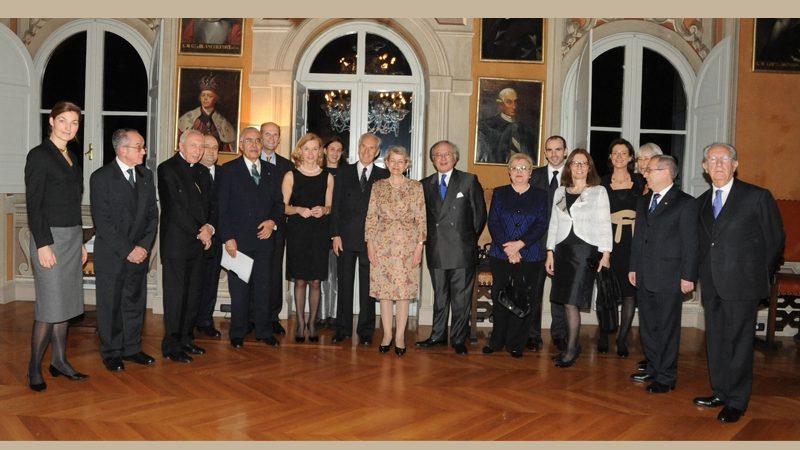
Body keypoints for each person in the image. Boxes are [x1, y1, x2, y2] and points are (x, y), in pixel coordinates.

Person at [693, 143, 784, 423]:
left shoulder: (757, 197)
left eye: (725, 159)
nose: (719, 163)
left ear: (735, 165)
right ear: (705, 168)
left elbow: (775, 240)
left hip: (743, 284)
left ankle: (737, 401)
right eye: (713, 159)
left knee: (740, 344)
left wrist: (758, 275)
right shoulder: (700, 203)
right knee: (717, 341)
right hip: (712, 284)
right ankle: (720, 391)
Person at [24, 101, 89, 391]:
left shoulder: (72, 156)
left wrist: (81, 243)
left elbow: (73, 204)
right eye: (63, 120)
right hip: (48, 239)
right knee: (49, 308)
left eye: (74, 122)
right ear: (51, 121)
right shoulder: (39, 156)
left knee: (66, 306)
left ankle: (60, 361)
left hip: (71, 238)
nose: (68, 127)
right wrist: (43, 244)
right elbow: (34, 205)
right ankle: (33, 367)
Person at [627, 155, 698, 394]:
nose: (644, 173)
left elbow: (691, 243)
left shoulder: (685, 203)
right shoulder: (644, 201)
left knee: (667, 328)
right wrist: (633, 267)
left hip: (670, 276)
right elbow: (638, 238)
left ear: (666, 172)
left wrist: (689, 276)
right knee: (648, 327)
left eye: (649, 170)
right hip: (645, 274)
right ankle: (655, 368)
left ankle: (666, 377)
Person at [90, 128, 158, 372]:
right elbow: (103, 222)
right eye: (139, 146)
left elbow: (153, 216)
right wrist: (129, 249)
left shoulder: (146, 176)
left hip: (139, 252)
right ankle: (111, 351)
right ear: (122, 150)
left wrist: (142, 247)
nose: (144, 151)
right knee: (110, 304)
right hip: (113, 254)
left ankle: (132, 348)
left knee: (134, 302)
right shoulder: (101, 178)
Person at [416, 140, 487, 355]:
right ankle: (437, 336)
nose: (443, 158)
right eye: (438, 155)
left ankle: (458, 339)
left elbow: (479, 216)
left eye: (447, 154)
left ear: (455, 157)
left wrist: (466, 239)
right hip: (436, 248)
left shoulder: (468, 180)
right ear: (432, 160)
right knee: (440, 296)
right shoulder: (424, 184)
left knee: (461, 298)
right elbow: (422, 218)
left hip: (462, 249)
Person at [545, 149, 612, 368]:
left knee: (573, 301)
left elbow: (604, 223)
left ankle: (572, 348)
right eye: (575, 163)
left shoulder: (598, 191)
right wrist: (549, 251)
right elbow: (554, 223)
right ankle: (570, 345)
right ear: (569, 166)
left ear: (589, 167)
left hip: (584, 251)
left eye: (584, 163)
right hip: (563, 250)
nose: (580, 167)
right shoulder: (560, 192)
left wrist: (606, 253)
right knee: (565, 300)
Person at [218, 128, 284, 348]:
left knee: (264, 288)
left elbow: (279, 204)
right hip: (238, 243)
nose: (255, 145)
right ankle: (237, 332)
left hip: (265, 241)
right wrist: (227, 238)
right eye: (250, 141)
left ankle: (264, 332)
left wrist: (273, 222)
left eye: (258, 140)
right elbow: (222, 209)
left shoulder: (271, 172)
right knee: (239, 290)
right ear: (241, 145)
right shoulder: (228, 171)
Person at [157, 129, 216, 363]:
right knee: (176, 296)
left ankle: (186, 339)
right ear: (180, 146)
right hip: (177, 244)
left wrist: (210, 227)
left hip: (201, 243)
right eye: (193, 146)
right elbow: (175, 208)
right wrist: (198, 231)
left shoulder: (203, 172)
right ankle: (171, 344)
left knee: (193, 295)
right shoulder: (167, 169)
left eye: (201, 147)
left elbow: (213, 205)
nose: (198, 151)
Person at [482, 153, 548, 358]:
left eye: (524, 168)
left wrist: (520, 244)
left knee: (524, 298)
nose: (519, 172)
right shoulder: (500, 193)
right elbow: (494, 222)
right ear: (509, 172)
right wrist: (508, 249)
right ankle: (496, 341)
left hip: (531, 255)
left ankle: (516, 343)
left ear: (530, 173)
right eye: (515, 168)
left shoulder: (541, 195)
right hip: (501, 254)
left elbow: (541, 224)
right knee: (500, 296)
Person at [365, 146, 426, 357]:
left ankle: (400, 336)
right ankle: (387, 335)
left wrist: (419, 246)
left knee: (403, 294)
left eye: (402, 161)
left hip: (408, 245)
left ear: (407, 164)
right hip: (382, 244)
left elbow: (421, 219)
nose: (397, 165)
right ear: (387, 163)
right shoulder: (378, 186)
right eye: (393, 161)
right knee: (384, 293)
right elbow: (371, 216)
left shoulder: (416, 187)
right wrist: (370, 244)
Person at [330, 133, 389, 346]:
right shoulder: (343, 172)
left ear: (377, 152)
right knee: (344, 284)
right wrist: (334, 234)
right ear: (358, 148)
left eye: (371, 148)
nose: (366, 151)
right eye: (363, 147)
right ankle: (342, 329)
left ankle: (365, 330)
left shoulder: (384, 175)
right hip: (345, 238)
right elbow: (335, 206)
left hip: (371, 241)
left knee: (368, 287)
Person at [282, 133, 334, 343]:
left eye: (315, 149)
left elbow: (330, 207)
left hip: (319, 233)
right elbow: (283, 207)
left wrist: (324, 209)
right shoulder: (290, 176)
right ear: (300, 151)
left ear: (320, 152)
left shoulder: (327, 177)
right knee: (301, 281)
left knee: (315, 282)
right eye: (307, 149)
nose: (311, 153)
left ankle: (313, 323)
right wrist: (298, 209)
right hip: (298, 232)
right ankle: (301, 323)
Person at [598, 138, 646, 358]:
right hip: (608, 241)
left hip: (633, 241)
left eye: (623, 153)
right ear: (610, 158)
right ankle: (603, 334)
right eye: (614, 153)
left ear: (630, 157)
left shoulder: (641, 181)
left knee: (629, 292)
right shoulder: (601, 182)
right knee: (605, 290)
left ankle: (622, 338)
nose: (618, 157)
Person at [527, 135, 569, 353]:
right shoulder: (534, 177)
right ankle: (533, 335)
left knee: (560, 292)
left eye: (558, 149)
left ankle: (559, 334)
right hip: (537, 243)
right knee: (534, 292)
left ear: (565, 151)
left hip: (563, 244)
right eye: (550, 150)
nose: (554, 154)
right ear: (544, 153)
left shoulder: (573, 177)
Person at [260, 122, 293, 336]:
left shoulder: (287, 166)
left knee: (273, 275)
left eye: (275, 135)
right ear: (260, 137)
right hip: (250, 230)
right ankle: (253, 317)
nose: (272, 138)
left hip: (277, 229)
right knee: (251, 275)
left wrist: (274, 222)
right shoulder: (248, 162)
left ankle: (272, 317)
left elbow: (286, 201)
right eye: (267, 134)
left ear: (279, 139)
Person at [194, 134, 223, 338]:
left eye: (215, 148)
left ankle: (205, 320)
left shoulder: (225, 173)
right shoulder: (191, 172)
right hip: (195, 237)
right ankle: (190, 321)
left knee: (211, 281)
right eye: (207, 147)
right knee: (195, 281)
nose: (211, 151)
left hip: (219, 236)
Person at [318, 136, 346, 329]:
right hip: (319, 227)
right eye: (332, 149)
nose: (335, 153)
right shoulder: (317, 172)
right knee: (321, 272)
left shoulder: (347, 173)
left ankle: (335, 314)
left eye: (339, 149)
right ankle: (321, 314)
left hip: (340, 228)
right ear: (325, 150)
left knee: (337, 273)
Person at [177, 73, 237, 153]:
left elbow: (227, 148)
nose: (205, 98)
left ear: (215, 99)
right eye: (203, 95)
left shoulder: (223, 122)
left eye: (209, 96)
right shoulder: (188, 118)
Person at [476, 87, 538, 164]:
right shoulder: (487, 126)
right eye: (509, 102)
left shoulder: (525, 128)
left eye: (515, 102)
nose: (514, 106)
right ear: (500, 104)